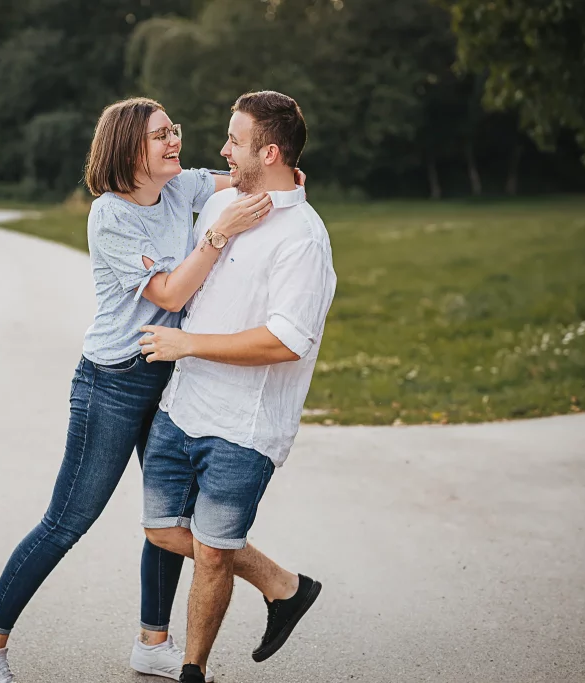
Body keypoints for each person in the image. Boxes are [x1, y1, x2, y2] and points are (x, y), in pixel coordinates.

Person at [0, 97, 301, 683]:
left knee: (168, 515)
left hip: (169, 374)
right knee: (68, 518)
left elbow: (240, 177)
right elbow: (167, 294)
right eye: (161, 135)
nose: (174, 141)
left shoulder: (183, 188)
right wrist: (217, 235)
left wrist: (283, 180)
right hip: (111, 383)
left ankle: (154, 643)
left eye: (174, 130)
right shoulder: (109, 216)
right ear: (128, 151)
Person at [138, 91, 337, 683]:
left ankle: (193, 670)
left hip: (243, 426)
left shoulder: (302, 236)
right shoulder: (225, 203)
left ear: (269, 152)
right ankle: (284, 586)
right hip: (183, 407)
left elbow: (285, 341)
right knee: (161, 530)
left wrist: (187, 345)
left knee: (216, 552)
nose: (222, 151)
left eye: (235, 141)